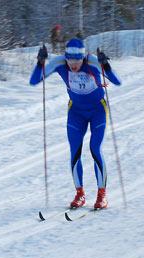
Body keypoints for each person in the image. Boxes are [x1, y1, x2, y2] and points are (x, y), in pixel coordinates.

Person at [29, 38, 121, 209]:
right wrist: (40, 62)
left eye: (77, 60)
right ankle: (80, 194)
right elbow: (35, 81)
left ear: (83, 57)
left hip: (97, 111)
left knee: (95, 149)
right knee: (75, 152)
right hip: (76, 113)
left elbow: (116, 81)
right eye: (70, 60)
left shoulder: (92, 62)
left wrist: (105, 65)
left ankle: (102, 195)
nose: (73, 64)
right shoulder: (59, 63)